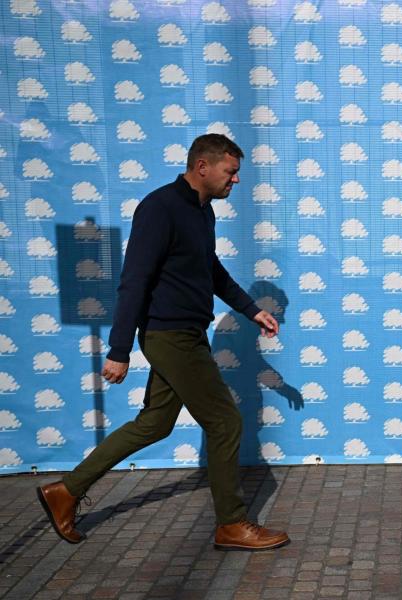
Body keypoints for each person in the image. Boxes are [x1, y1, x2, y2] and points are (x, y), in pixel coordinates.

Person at [37, 134, 290, 550]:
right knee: (225, 422)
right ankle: (231, 524)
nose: (236, 180)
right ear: (202, 167)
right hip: (170, 335)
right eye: (231, 171)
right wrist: (119, 351)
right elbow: (134, 280)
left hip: (186, 333)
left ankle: (66, 491)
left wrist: (250, 309)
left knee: (154, 423)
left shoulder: (202, 212)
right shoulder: (159, 209)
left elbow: (210, 269)